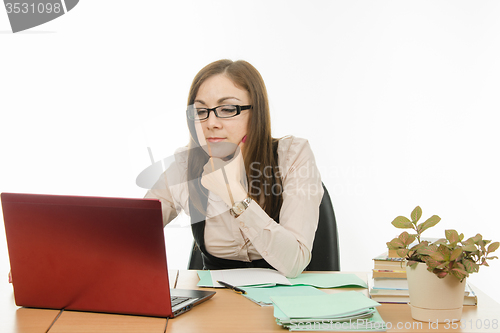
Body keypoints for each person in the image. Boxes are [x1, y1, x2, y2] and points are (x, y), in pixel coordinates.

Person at [145, 59, 323, 278]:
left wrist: (233, 193)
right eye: (201, 111)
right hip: (217, 303)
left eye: (227, 109)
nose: (211, 123)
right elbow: (134, 231)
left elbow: (295, 262)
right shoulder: (184, 165)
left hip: (284, 302)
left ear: (256, 113)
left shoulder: (292, 155)